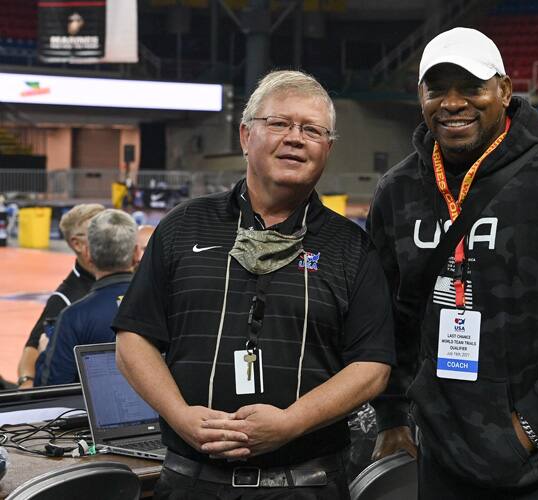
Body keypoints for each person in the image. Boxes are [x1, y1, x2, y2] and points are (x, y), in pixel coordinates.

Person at [367, 27, 538, 498]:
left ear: (504, 90)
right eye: (438, 89)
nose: (453, 103)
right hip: (444, 457)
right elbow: (387, 317)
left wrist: (531, 424)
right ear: (421, 97)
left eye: (472, 87)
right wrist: (391, 415)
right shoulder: (398, 191)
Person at [112, 70, 394, 499]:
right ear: (245, 136)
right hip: (190, 482)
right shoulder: (183, 226)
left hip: (306, 484)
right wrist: (181, 415)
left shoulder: (351, 247)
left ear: (328, 149)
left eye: (312, 130)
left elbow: (372, 368)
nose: (296, 138)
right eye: (279, 123)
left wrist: (291, 422)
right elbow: (134, 340)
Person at [35, 209, 138, 386]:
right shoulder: (166, 303)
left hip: (92, 413)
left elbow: (52, 389)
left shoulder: (73, 317)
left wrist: (45, 354)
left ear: (88, 254)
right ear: (136, 254)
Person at [16, 203, 103, 389]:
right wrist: (27, 384)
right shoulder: (65, 298)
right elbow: (32, 346)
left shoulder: (129, 274)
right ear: (77, 244)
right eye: (97, 233)